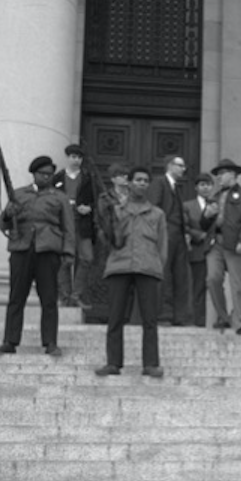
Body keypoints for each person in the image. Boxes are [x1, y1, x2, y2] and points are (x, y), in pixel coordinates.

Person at [0, 155, 75, 357]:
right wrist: (8, 214)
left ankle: (50, 342)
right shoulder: (18, 194)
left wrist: (68, 252)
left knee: (49, 298)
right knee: (16, 297)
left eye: (49, 174)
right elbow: (3, 224)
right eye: (42, 174)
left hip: (48, 249)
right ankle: (10, 341)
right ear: (34, 174)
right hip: (22, 248)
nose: (46, 177)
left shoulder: (59, 197)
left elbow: (69, 227)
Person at [94, 165, 167, 378]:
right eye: (138, 180)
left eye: (145, 180)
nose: (142, 183)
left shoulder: (158, 214)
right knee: (115, 317)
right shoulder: (116, 210)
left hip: (148, 268)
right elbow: (105, 239)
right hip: (119, 266)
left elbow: (162, 246)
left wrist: (157, 267)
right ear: (129, 183)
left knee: (150, 320)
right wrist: (112, 215)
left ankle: (151, 364)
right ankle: (113, 363)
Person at [202, 158, 241, 335]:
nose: (218, 177)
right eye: (217, 174)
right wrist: (207, 216)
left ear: (232, 174)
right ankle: (223, 317)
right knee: (212, 279)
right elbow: (203, 224)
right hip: (215, 242)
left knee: (237, 283)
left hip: (234, 243)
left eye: (222, 173)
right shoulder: (215, 197)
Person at [148, 153, 191, 325]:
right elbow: (154, 208)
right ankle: (163, 315)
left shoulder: (176, 187)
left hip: (178, 237)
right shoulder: (159, 183)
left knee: (180, 276)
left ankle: (180, 316)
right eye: (180, 165)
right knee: (164, 275)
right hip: (165, 235)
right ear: (170, 166)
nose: (183, 169)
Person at [52, 144, 96, 307]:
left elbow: (95, 200)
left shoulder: (87, 177)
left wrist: (89, 208)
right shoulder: (57, 178)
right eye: (73, 157)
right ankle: (64, 296)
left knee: (87, 258)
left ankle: (76, 295)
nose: (76, 160)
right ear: (67, 157)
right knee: (65, 260)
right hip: (63, 223)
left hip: (82, 223)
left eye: (79, 157)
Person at [183, 172, 216, 327]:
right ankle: (198, 320)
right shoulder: (188, 206)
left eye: (208, 184)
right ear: (196, 187)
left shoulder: (217, 204)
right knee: (198, 287)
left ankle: (219, 318)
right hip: (198, 251)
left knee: (216, 285)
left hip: (216, 250)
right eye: (202, 185)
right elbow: (184, 226)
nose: (206, 188)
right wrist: (199, 235)